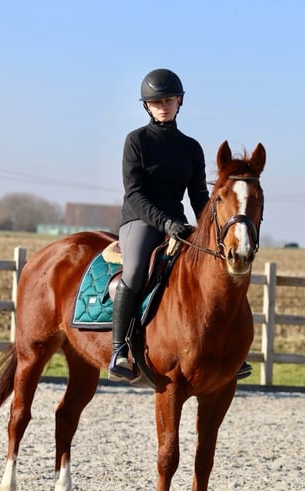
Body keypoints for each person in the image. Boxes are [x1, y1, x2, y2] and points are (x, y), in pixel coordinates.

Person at [108, 68, 252, 383]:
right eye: (156, 101)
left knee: (219, 270)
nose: (163, 105)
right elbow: (134, 193)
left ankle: (232, 351)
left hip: (177, 223)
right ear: (147, 106)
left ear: (179, 102)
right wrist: (166, 222)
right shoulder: (137, 141)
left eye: (169, 100)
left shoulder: (191, 147)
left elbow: (199, 196)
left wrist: (210, 230)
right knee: (134, 272)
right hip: (140, 220)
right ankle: (120, 349)